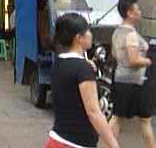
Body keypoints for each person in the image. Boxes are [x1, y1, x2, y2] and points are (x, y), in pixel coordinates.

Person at [46, 13, 119, 148]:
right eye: (88, 30)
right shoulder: (82, 68)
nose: (91, 34)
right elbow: (93, 112)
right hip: (75, 143)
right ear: (78, 38)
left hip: (56, 139)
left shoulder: (59, 63)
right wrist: (114, 145)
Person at [109, 0, 156, 148]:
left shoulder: (117, 32)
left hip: (121, 79)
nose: (140, 12)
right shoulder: (131, 35)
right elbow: (133, 60)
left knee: (118, 117)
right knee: (144, 119)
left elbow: (114, 54)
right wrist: (147, 61)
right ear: (130, 13)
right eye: (137, 9)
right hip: (134, 82)